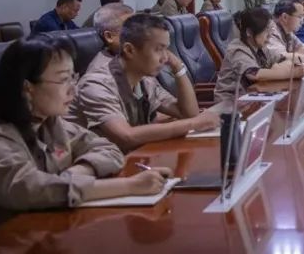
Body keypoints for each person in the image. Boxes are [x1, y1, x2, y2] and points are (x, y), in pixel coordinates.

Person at [0, 36, 171, 254]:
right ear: (27, 88)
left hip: (25, 242)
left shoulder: (51, 123)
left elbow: (108, 148)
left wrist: (79, 171)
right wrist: (130, 186)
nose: (73, 89)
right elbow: (29, 190)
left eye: (73, 77)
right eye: (63, 80)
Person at [67, 13, 217, 152]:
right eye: (158, 49)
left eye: (166, 49)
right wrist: (194, 124)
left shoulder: (145, 79)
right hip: (85, 167)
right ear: (129, 50)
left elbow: (188, 113)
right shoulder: (97, 84)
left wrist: (178, 67)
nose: (165, 58)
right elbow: (126, 137)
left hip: (125, 158)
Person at [213, 7, 304, 107]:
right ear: (249, 32)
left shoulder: (261, 47)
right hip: (230, 105)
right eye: (266, 31)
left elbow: (284, 60)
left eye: (271, 30)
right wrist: (291, 73)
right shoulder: (237, 49)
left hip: (252, 98)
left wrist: (278, 68)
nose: (270, 36)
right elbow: (254, 74)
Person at [86, 3, 135, 75]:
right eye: (131, 29)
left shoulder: (131, 56)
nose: (140, 33)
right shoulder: (101, 75)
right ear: (109, 36)